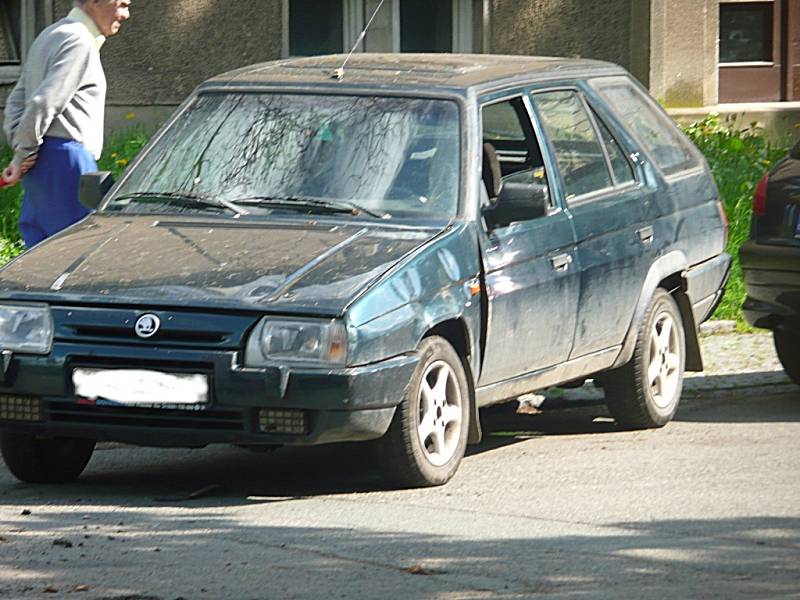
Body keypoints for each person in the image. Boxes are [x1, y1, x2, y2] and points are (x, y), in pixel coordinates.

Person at [1, 0, 131, 247]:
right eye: (122, 4)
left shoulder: (50, 34)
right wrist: (22, 154)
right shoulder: (79, 41)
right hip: (66, 161)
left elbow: (17, 100)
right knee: (75, 252)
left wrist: (23, 149)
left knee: (40, 253)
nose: (125, 14)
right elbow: (44, 102)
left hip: (39, 164)